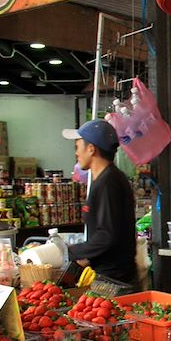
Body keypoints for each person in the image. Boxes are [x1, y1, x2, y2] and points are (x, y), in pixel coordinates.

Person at [62, 120, 137, 285]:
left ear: (91, 149)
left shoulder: (108, 182)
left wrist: (67, 252)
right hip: (107, 274)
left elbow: (106, 235)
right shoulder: (104, 178)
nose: (76, 153)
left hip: (114, 280)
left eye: (77, 147)